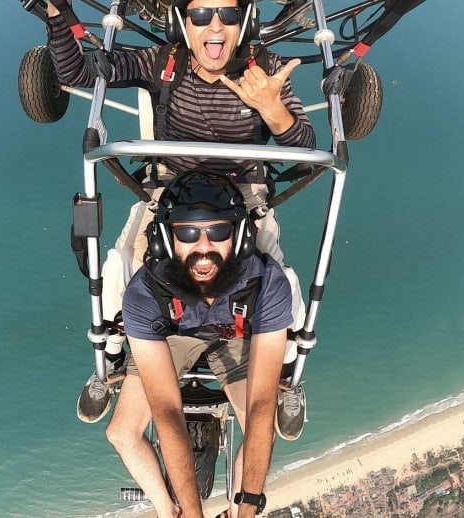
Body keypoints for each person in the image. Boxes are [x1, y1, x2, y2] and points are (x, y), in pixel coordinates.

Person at [45, 0, 314, 440]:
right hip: (170, 187)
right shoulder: (163, 63)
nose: (215, 26)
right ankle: (111, 354)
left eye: (227, 15)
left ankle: (287, 375)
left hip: (243, 191)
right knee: (119, 265)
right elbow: (79, 74)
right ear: (182, 24)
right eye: (201, 15)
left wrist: (272, 107)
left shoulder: (263, 70)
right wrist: (57, 18)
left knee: (281, 277)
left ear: (243, 22)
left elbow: (304, 143)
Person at [114, 171, 291, 518]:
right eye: (188, 233)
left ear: (238, 237)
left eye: (219, 231)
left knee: (262, 429)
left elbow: (260, 406)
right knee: (122, 433)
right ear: (167, 240)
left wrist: (248, 508)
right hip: (172, 334)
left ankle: (236, 507)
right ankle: (169, 511)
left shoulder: (266, 283)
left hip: (237, 333)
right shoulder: (145, 293)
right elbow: (167, 412)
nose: (204, 247)